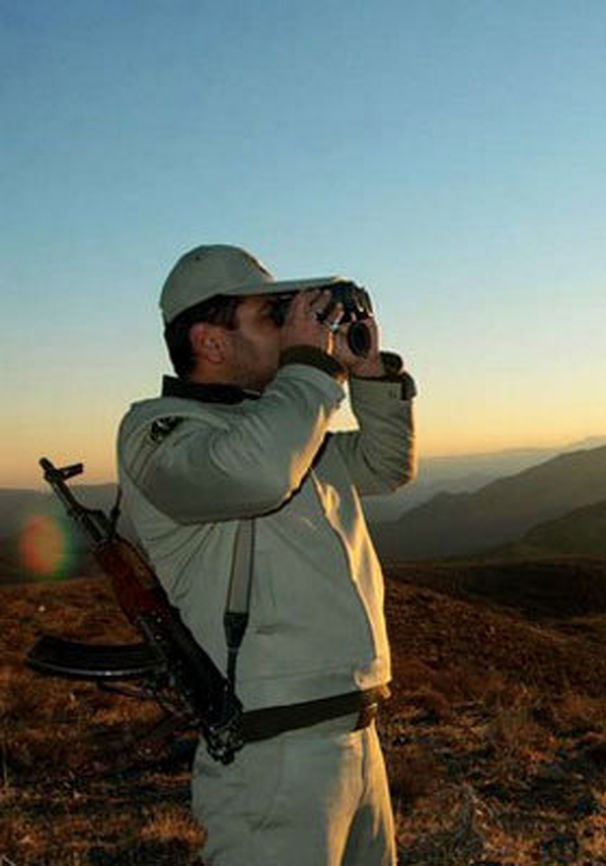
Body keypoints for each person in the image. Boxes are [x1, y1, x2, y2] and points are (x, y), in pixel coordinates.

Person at [116, 244, 417, 865]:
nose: (289, 330)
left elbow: (388, 466)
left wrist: (368, 377)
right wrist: (308, 368)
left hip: (357, 735)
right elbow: (256, 473)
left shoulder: (281, 425)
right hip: (273, 759)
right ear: (212, 341)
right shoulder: (161, 433)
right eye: (270, 316)